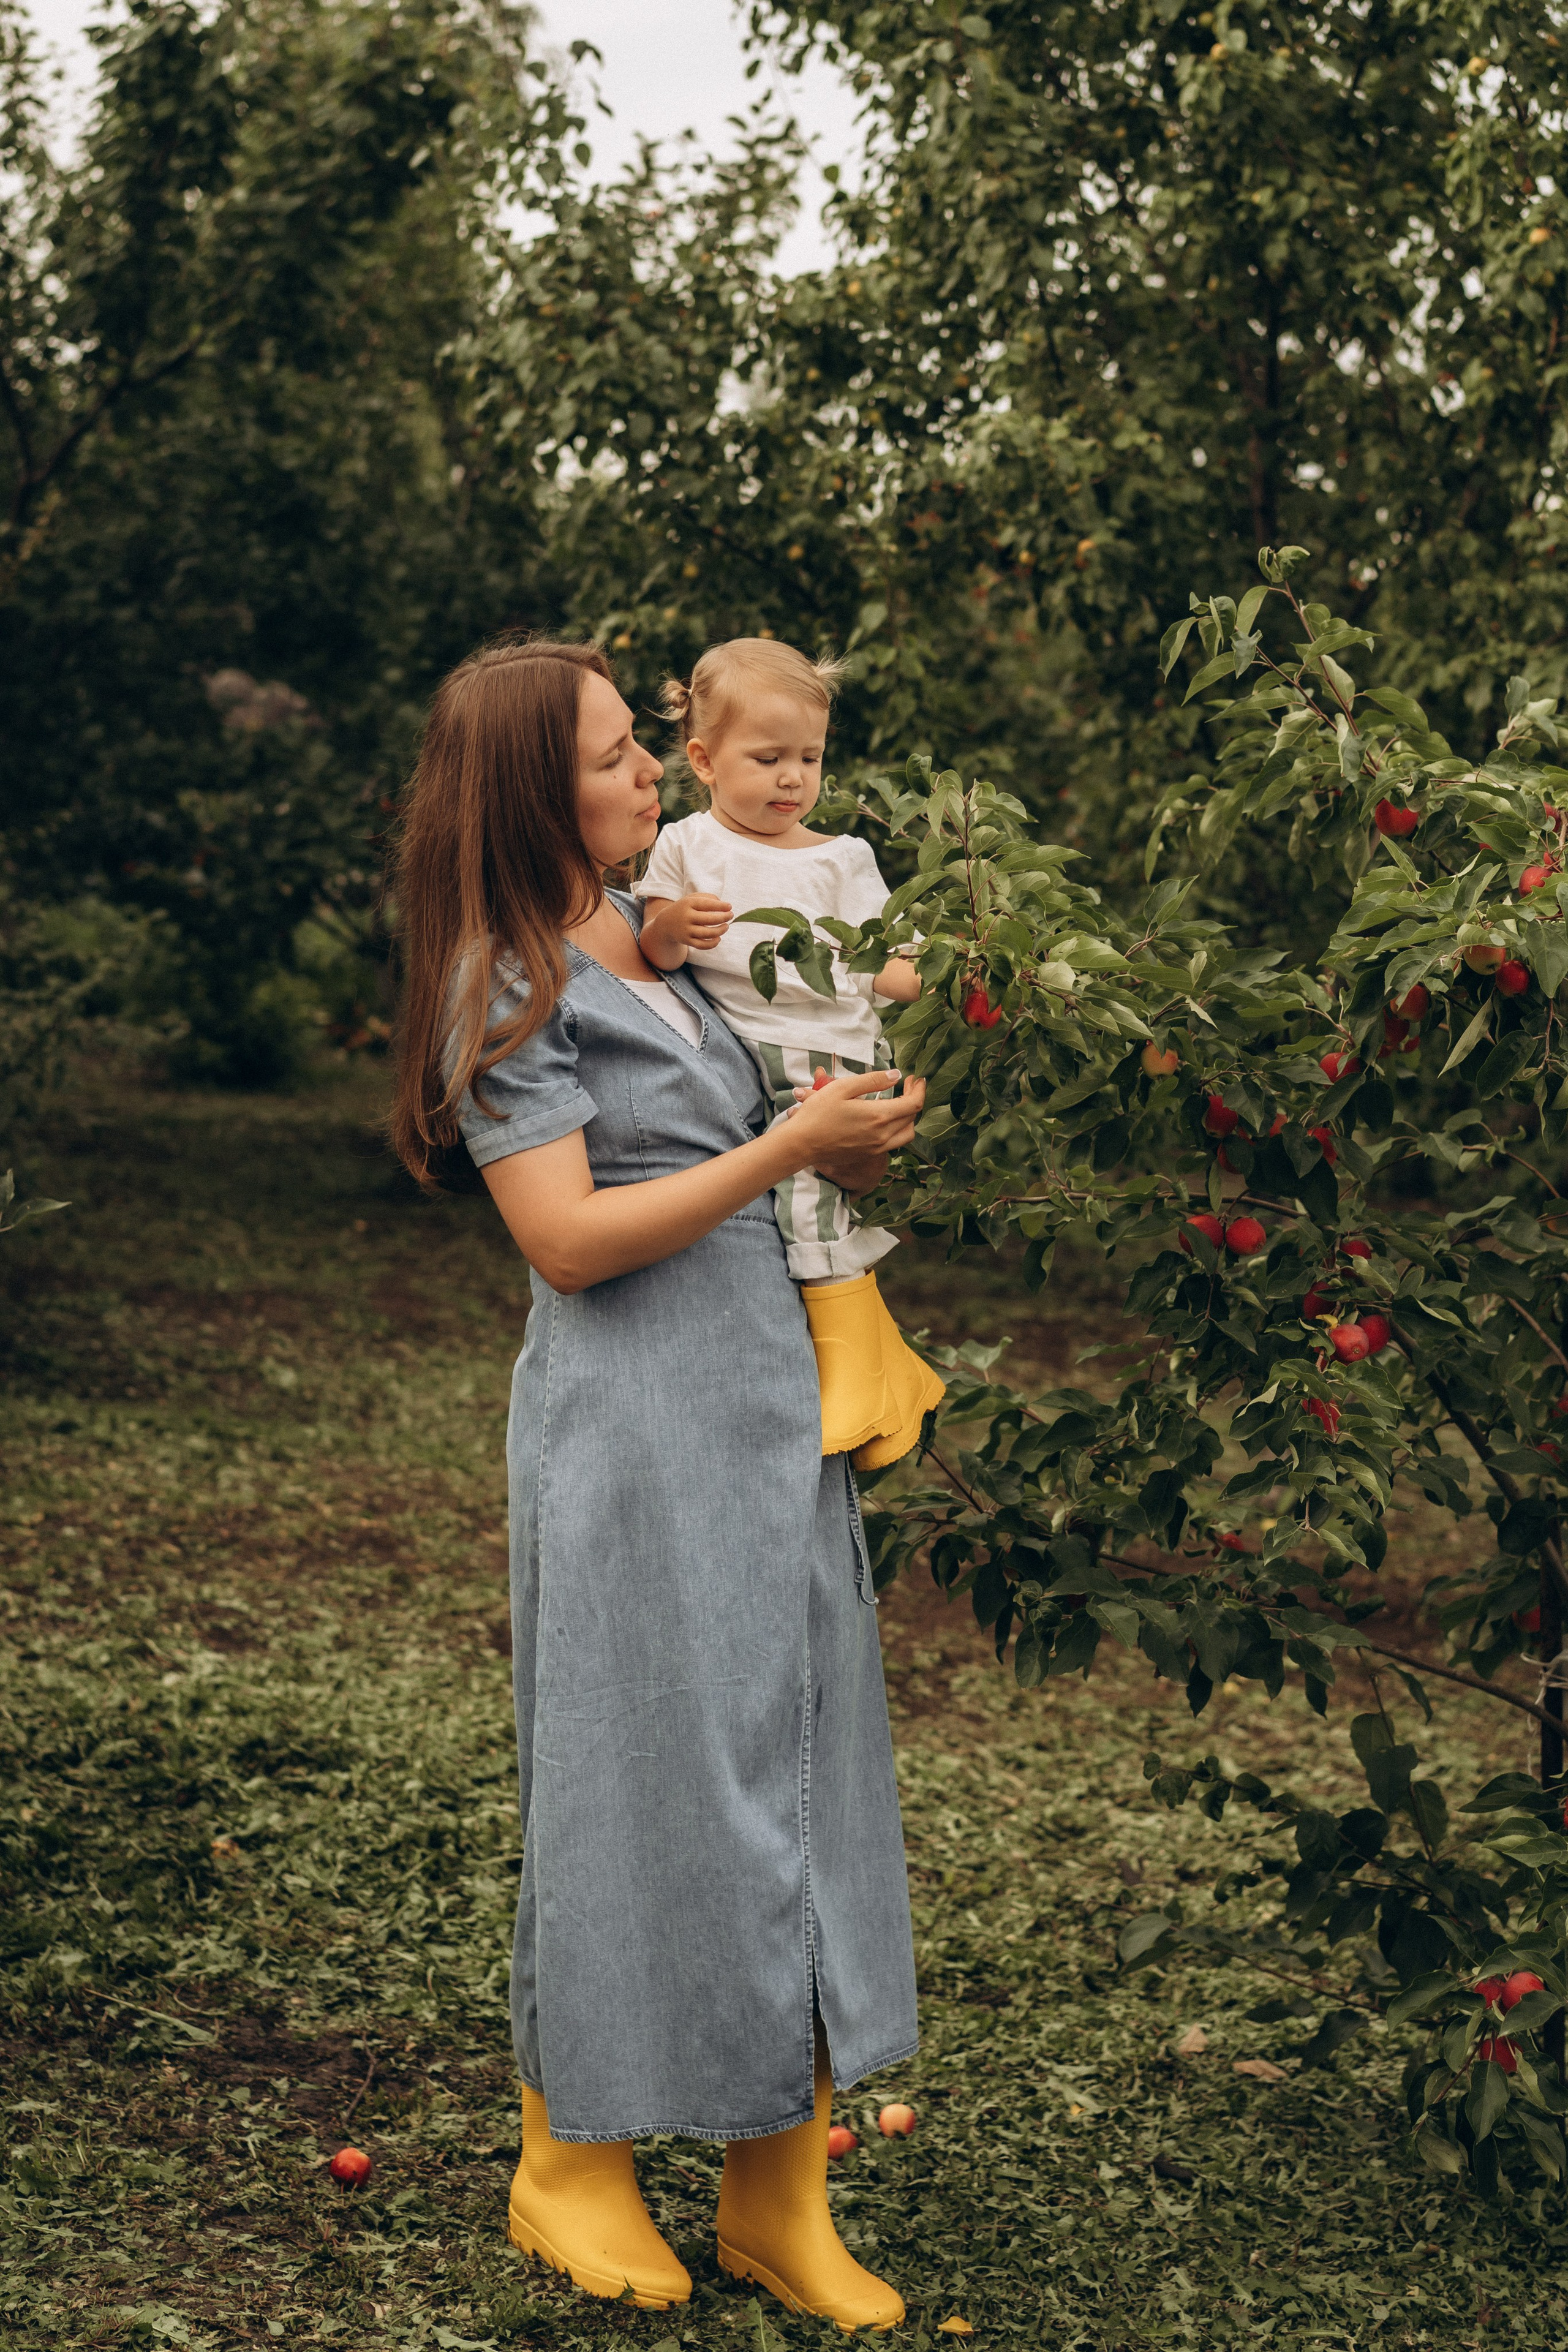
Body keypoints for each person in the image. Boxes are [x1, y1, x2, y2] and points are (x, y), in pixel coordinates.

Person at [390, 635, 922, 2331]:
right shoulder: (503, 977)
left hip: (765, 1406)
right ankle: (573, 2165)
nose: (650, 772)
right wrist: (786, 1151)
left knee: (802, 1760)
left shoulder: (655, 930)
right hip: (631, 1425)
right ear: (532, 789)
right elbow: (562, 1239)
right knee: (633, 1779)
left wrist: (855, 1092)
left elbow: (796, 1043)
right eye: (619, 753)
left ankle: (779, 2191)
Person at [636, 637, 945, 1467]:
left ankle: (854, 1369)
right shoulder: (685, 845)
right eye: (768, 758)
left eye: (809, 757)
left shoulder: (843, 858)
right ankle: (884, 1366)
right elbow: (655, 946)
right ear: (704, 760)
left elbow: (888, 965)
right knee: (805, 1202)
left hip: (829, 1053)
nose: (792, 779)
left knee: (808, 1200)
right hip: (753, 1053)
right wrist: (675, 924)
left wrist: (958, 977)